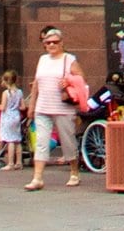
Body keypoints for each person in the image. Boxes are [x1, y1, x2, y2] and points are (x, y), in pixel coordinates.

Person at [25, 26, 85, 191]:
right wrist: (32, 105)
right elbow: (36, 83)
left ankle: (74, 171)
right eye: (48, 42)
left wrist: (69, 81)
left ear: (61, 43)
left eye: (55, 42)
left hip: (62, 107)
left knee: (68, 141)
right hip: (43, 106)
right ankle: (37, 178)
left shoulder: (69, 59)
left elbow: (81, 78)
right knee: (41, 142)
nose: (51, 45)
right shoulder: (43, 59)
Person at [0, 69, 26, 170]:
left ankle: (10, 163)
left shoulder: (5, 93)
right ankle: (19, 162)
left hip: (7, 117)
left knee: (10, 141)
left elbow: (3, 107)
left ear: (6, 81)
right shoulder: (19, 92)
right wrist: (16, 107)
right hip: (16, 117)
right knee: (17, 140)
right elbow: (23, 107)